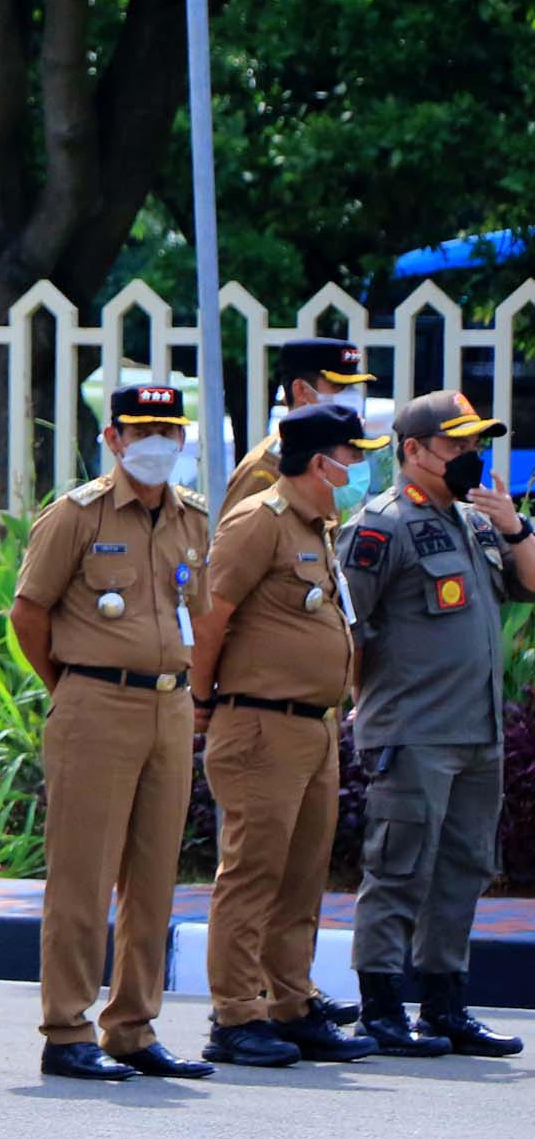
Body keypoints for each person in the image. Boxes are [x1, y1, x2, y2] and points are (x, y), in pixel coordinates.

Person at [7, 382, 214, 1083]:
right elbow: (28, 614)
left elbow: (199, 613)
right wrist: (69, 685)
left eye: (169, 430)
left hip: (169, 704)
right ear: (113, 438)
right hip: (95, 701)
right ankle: (67, 1029)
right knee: (83, 876)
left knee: (155, 874)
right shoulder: (77, 514)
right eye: (141, 430)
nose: (157, 443)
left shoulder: (192, 519)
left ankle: (132, 1024)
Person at [190, 403, 392, 1067]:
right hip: (260, 722)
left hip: (312, 727)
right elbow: (211, 617)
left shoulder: (317, 527)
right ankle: (236, 1014)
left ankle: (291, 1000)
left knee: (302, 876)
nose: (359, 469)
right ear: (317, 462)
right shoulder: (259, 523)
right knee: (253, 872)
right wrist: (201, 701)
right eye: (351, 456)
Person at [338, 390, 535, 1056]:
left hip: (476, 733)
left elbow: (531, 584)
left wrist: (514, 526)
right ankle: (382, 1009)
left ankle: (445, 1007)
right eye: (456, 445)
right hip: (412, 730)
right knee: (398, 868)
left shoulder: (478, 524)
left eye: (475, 443)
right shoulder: (380, 527)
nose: (470, 456)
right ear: (413, 450)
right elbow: (346, 630)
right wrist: (366, 706)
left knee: (464, 868)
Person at [224, 339, 377, 509]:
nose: (352, 397)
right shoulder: (263, 470)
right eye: (338, 386)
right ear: (301, 390)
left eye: (352, 387)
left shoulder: (333, 461)